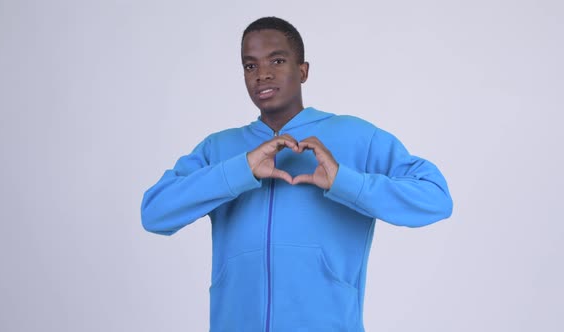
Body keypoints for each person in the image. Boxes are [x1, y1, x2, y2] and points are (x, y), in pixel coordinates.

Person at [141, 16, 453, 332]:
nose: (262, 74)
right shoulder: (220, 148)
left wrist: (345, 182)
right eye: (251, 66)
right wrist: (241, 169)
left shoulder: (355, 136)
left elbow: (436, 198)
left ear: (302, 70)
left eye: (277, 60)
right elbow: (154, 212)